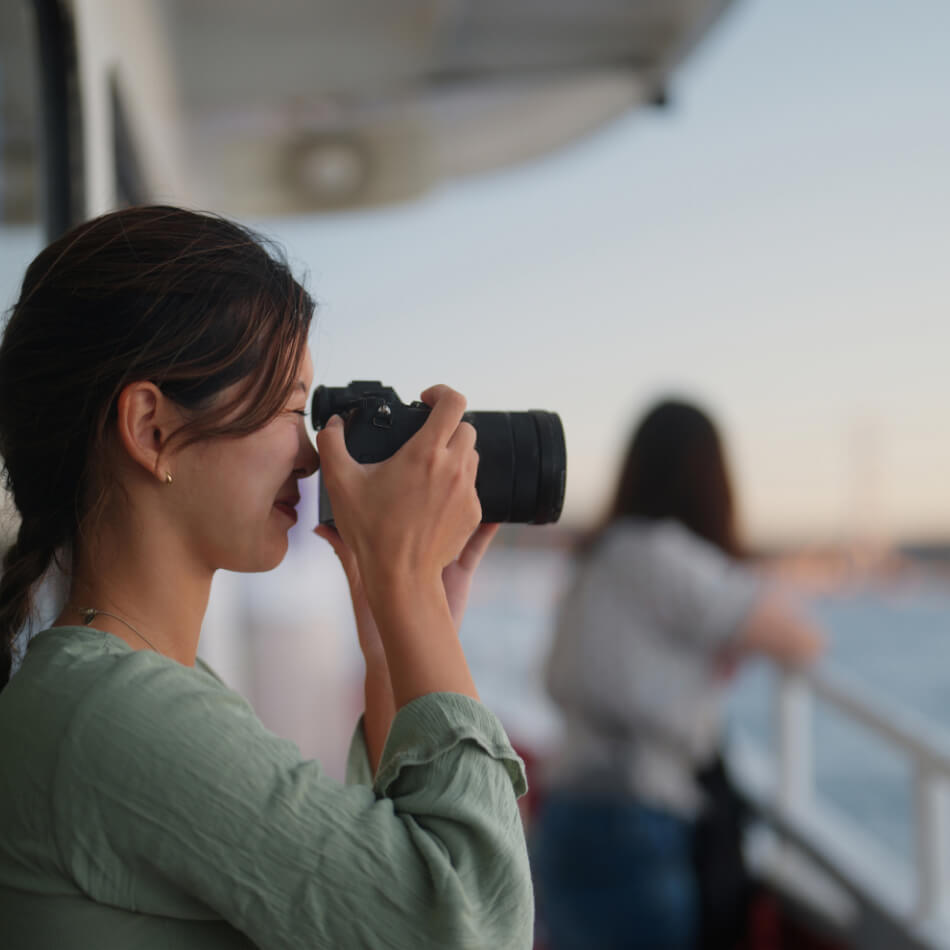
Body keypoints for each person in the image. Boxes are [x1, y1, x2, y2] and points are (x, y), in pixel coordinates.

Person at [0, 205, 533, 949]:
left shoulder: (136, 688)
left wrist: (389, 643)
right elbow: (471, 926)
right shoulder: (112, 712)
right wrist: (407, 586)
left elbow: (361, 909)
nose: (312, 458)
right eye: (287, 408)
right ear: (152, 429)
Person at [531, 399, 824, 950]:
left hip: (567, 810)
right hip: (637, 821)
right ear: (709, 476)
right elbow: (802, 639)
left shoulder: (596, 558)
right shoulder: (664, 554)